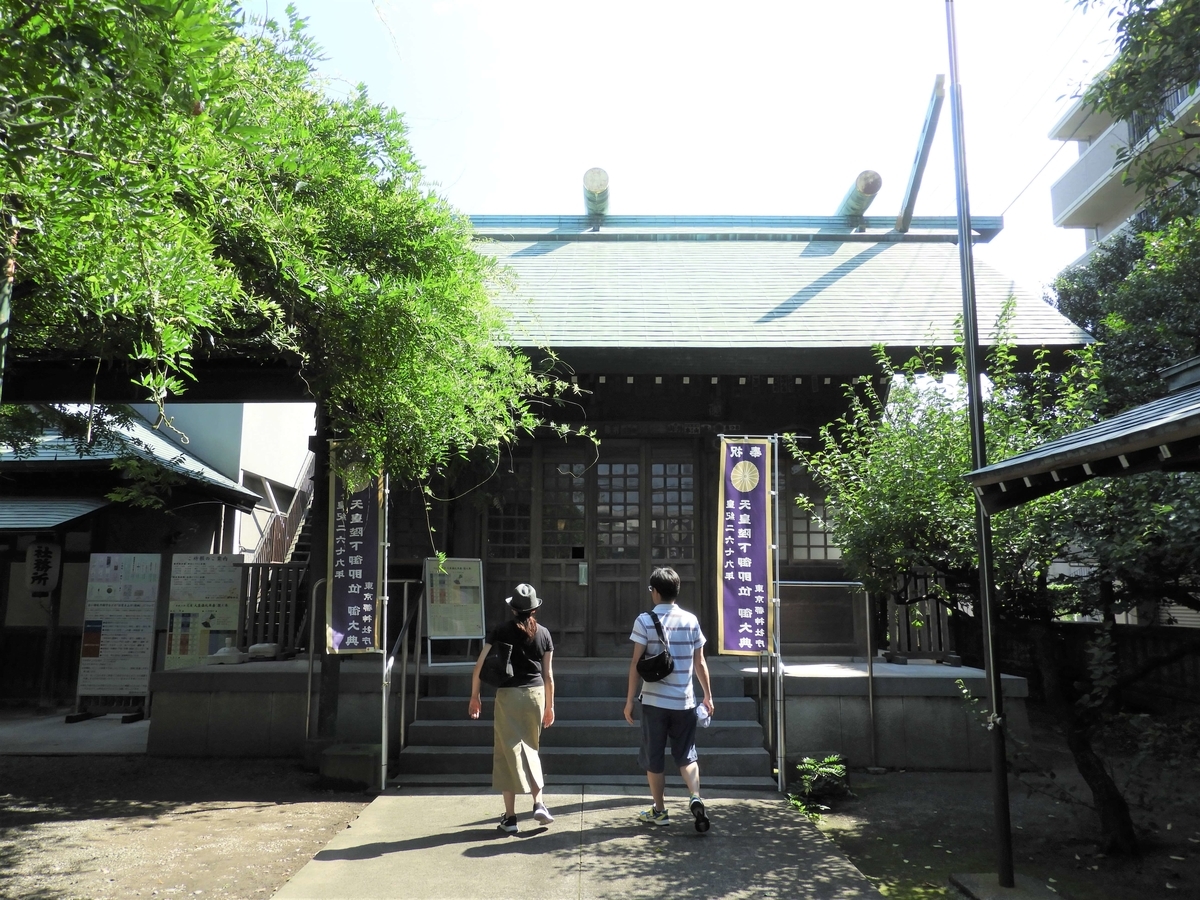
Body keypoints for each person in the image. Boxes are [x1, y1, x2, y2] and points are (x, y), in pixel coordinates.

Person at [623, 566, 713, 832]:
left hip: (653, 703)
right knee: (687, 755)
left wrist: (629, 700)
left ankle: (660, 810)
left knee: (654, 758)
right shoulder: (691, 620)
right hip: (684, 703)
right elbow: (700, 663)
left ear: (656, 592)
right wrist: (707, 696)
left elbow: (635, 664)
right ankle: (695, 795)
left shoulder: (644, 621)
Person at [469, 583, 555, 834]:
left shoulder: (500, 630)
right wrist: (550, 705)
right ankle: (539, 802)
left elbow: (479, 666)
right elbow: (548, 675)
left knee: (507, 752)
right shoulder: (544, 633)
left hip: (507, 695)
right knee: (531, 748)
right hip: (535, 695)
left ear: (513, 608)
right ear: (534, 609)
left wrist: (475, 696)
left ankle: (510, 817)